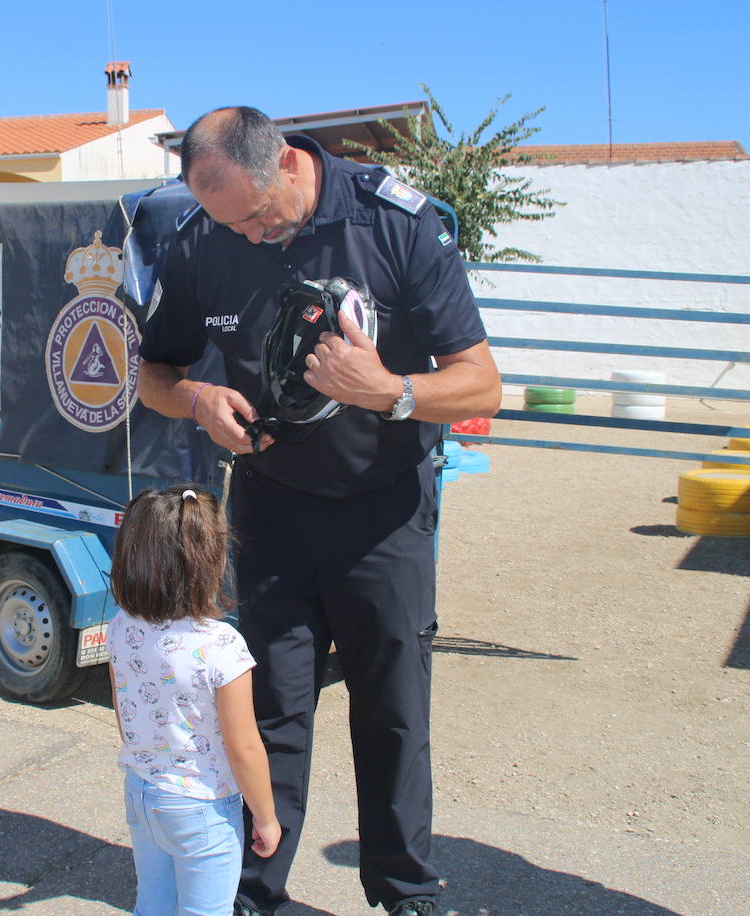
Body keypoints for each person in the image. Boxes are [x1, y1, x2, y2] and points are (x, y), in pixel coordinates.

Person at [136, 107, 501, 916]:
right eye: (235, 224)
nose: (253, 237)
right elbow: (150, 372)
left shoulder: (394, 223)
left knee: (393, 712)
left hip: (384, 515)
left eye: (260, 217)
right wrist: (195, 397)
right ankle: (250, 891)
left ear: (289, 165)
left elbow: (483, 383)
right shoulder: (206, 240)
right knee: (266, 713)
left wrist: (392, 392)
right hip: (270, 514)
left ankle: (405, 891)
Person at [107, 485, 281, 916]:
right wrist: (266, 816)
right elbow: (244, 748)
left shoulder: (121, 624)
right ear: (214, 561)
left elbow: (123, 711)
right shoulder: (223, 645)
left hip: (142, 791)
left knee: (153, 902)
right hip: (204, 805)